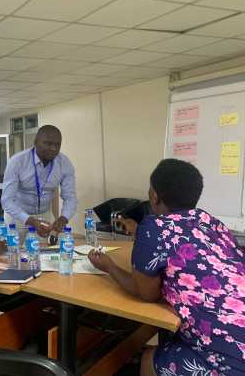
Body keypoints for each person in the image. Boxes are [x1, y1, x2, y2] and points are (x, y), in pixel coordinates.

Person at [88, 159, 245, 376]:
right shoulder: (210, 221)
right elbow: (184, 245)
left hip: (228, 356)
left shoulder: (153, 226)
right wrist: (140, 234)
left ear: (154, 195)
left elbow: (146, 293)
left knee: (148, 358)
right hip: (238, 328)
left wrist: (109, 267)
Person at [1, 125, 77, 242]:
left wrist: (63, 219)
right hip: (17, 216)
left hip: (44, 216)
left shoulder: (64, 163)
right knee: (14, 254)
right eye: (48, 143)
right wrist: (31, 221)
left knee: (42, 255)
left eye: (57, 145)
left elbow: (70, 197)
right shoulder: (17, 162)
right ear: (35, 142)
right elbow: (7, 200)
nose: (53, 148)